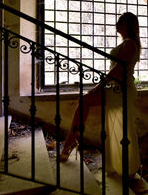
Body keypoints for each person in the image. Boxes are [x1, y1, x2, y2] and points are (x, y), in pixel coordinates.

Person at [60, 12, 141, 177]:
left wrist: (98, 87)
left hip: (122, 89)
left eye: (120, 22)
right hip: (115, 87)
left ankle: (70, 140)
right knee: (85, 101)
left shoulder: (130, 44)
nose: (116, 24)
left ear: (127, 25)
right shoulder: (126, 43)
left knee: (85, 101)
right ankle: (71, 140)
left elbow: (117, 70)